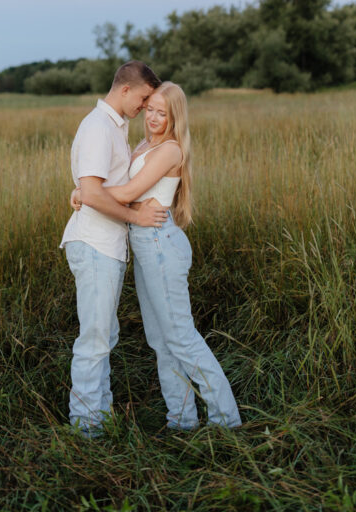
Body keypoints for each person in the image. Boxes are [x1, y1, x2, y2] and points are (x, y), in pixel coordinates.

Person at [72, 81, 241, 430]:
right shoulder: (145, 145)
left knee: (180, 337)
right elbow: (132, 197)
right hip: (146, 245)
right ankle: (182, 420)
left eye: (162, 113)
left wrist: (85, 192)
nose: (153, 117)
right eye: (150, 109)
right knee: (161, 341)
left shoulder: (171, 150)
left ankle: (227, 420)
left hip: (162, 245)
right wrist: (96, 194)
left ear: (174, 116)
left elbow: (132, 191)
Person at [60, 60, 165, 437]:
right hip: (94, 244)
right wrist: (136, 218)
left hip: (105, 245)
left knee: (104, 335)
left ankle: (98, 417)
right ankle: (87, 428)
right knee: (95, 338)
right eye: (143, 98)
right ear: (124, 90)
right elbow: (91, 193)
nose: (144, 107)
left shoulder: (112, 127)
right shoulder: (99, 128)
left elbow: (92, 189)